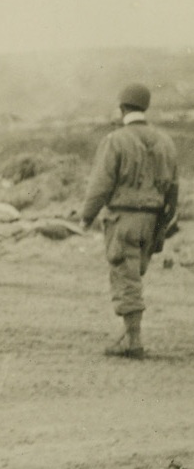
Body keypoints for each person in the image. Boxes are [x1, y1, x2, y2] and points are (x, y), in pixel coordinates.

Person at [80, 82, 178, 359]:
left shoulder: (115, 140)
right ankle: (130, 333)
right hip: (153, 220)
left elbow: (100, 184)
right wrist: (164, 224)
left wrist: (86, 216)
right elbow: (174, 187)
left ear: (122, 108)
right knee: (135, 275)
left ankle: (132, 340)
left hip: (124, 219)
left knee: (125, 276)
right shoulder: (166, 141)